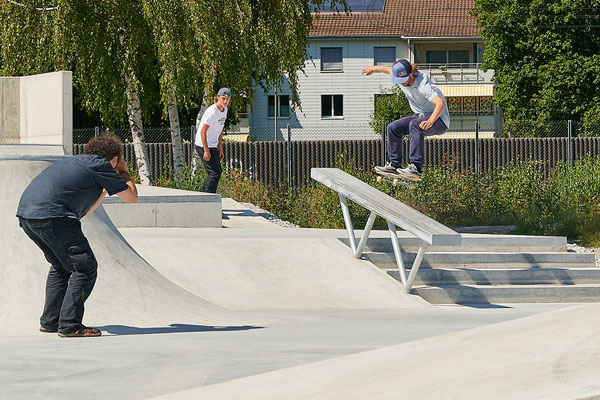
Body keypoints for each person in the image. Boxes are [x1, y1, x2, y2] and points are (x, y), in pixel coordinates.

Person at [16, 134, 138, 337]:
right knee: (85, 266)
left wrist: (108, 186)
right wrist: (124, 174)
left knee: (61, 266)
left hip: (27, 215)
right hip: (55, 217)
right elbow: (132, 198)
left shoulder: (77, 162)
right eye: (121, 158)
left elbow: (89, 210)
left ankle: (50, 321)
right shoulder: (101, 165)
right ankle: (70, 324)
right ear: (114, 159)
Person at [362, 59, 450, 179]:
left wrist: (430, 121)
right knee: (393, 127)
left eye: (404, 81)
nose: (402, 84)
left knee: (415, 125)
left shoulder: (423, 85)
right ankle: (394, 165)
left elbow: (440, 104)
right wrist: (373, 68)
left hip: (439, 120)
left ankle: (416, 167)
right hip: (421, 116)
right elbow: (387, 69)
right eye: (399, 81)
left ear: (410, 74)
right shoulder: (398, 74)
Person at [194, 87, 231, 193]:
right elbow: (202, 131)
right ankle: (208, 197)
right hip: (203, 144)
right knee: (215, 172)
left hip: (213, 144)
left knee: (215, 172)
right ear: (217, 98)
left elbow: (220, 129)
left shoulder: (225, 110)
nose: (225, 101)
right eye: (223, 98)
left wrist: (220, 147)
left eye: (227, 99)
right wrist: (206, 150)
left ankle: (203, 195)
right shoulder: (212, 112)